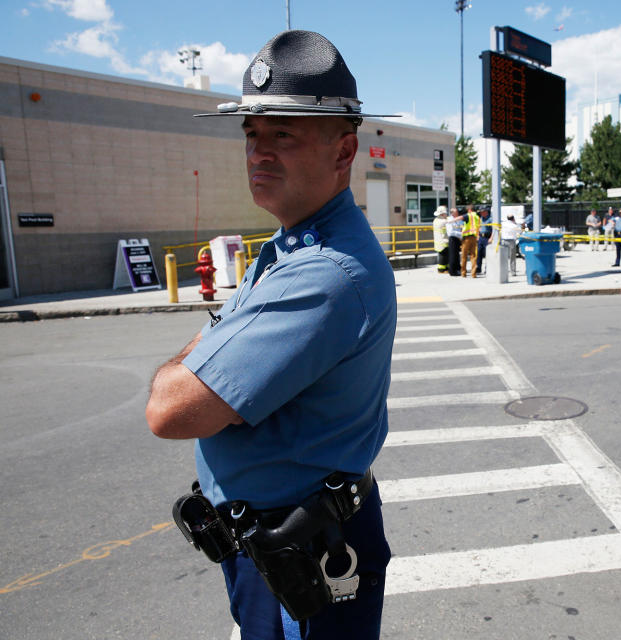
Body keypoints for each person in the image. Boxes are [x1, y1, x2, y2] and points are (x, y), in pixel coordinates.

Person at [145, 30, 396, 640]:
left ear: (343, 153)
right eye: (252, 135)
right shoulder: (290, 246)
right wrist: (218, 355)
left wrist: (202, 359)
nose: (259, 152)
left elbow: (171, 409)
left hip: (305, 556)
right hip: (277, 546)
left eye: (283, 133)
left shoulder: (323, 274)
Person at [460, 205, 481, 278]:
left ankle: (463, 273)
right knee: (473, 256)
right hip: (474, 238)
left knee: (464, 256)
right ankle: (473, 274)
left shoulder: (468, 216)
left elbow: (461, 218)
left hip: (466, 238)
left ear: (469, 210)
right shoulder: (477, 217)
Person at [446, 207, 463, 276]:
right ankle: (452, 271)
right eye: (456, 212)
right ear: (452, 213)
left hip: (457, 238)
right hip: (453, 238)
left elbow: (461, 226)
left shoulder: (457, 219)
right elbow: (450, 232)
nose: (457, 213)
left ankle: (457, 269)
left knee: (456, 255)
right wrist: (461, 234)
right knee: (453, 255)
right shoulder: (449, 220)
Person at [432, 205, 449, 273]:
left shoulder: (436, 220)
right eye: (445, 213)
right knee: (444, 256)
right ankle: (442, 269)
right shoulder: (443, 221)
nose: (446, 214)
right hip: (443, 241)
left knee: (443, 256)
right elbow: (450, 222)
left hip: (439, 242)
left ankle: (445, 268)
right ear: (442, 214)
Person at [476, 207, 493, 274]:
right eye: (480, 212)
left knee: (487, 254)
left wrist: (491, 238)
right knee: (479, 253)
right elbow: (478, 227)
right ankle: (478, 268)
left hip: (487, 238)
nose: (481, 213)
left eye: (482, 212)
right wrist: (477, 235)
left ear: (486, 212)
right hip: (481, 237)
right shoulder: (480, 219)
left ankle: (487, 268)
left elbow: (493, 229)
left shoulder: (490, 219)